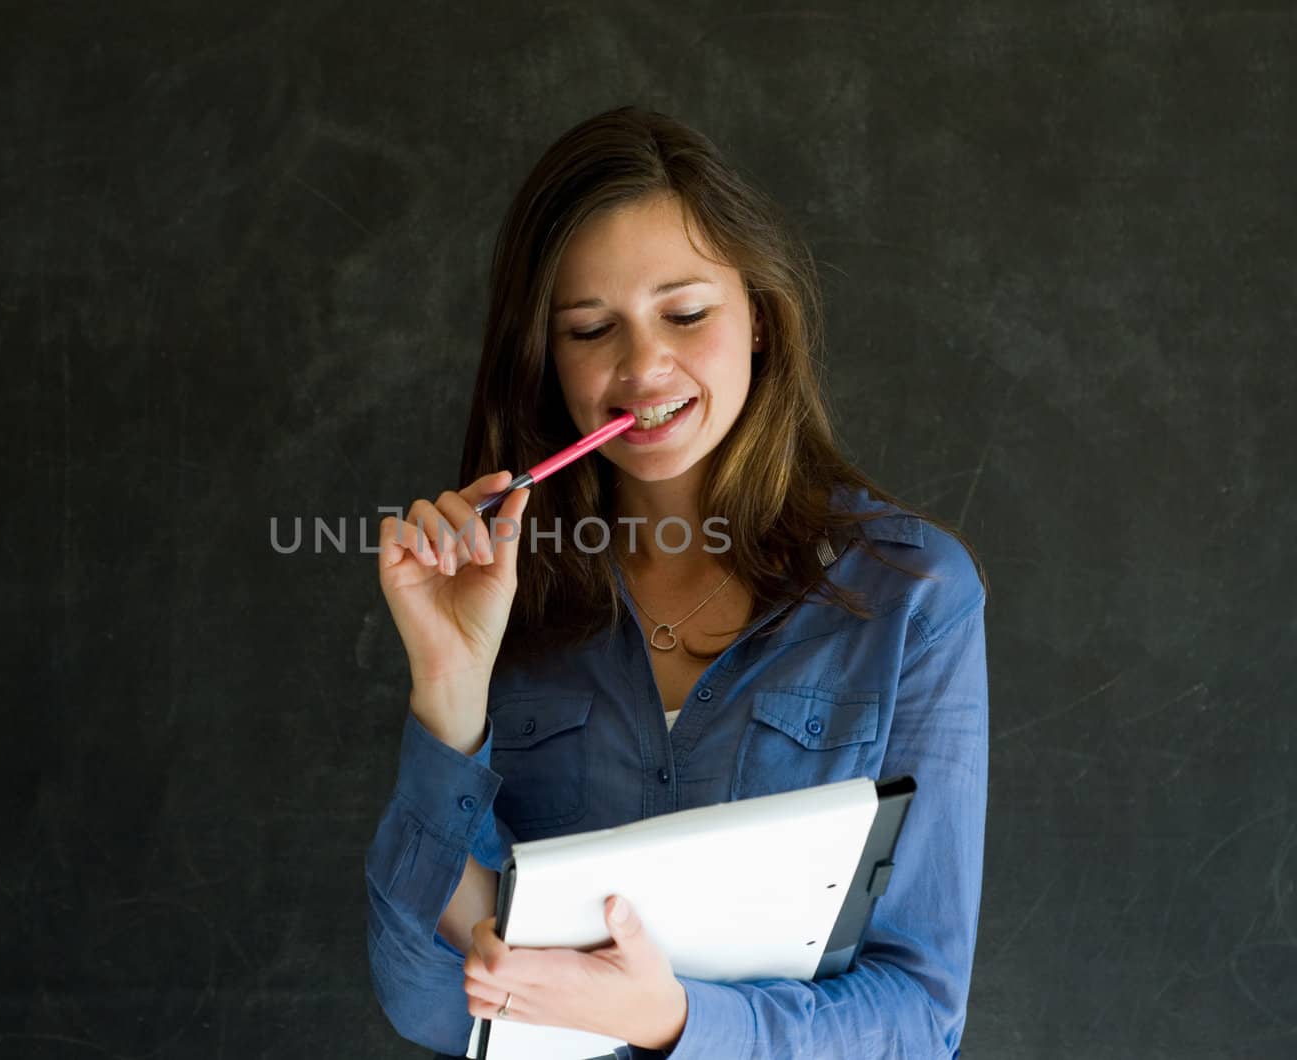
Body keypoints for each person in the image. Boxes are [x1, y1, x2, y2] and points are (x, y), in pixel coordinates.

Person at [364, 105, 990, 1059]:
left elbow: (920, 1019)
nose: (642, 368)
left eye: (687, 314)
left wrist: (673, 1021)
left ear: (762, 323)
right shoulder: (504, 595)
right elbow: (428, 1005)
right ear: (547, 363)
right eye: (588, 330)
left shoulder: (914, 596)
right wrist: (450, 690)